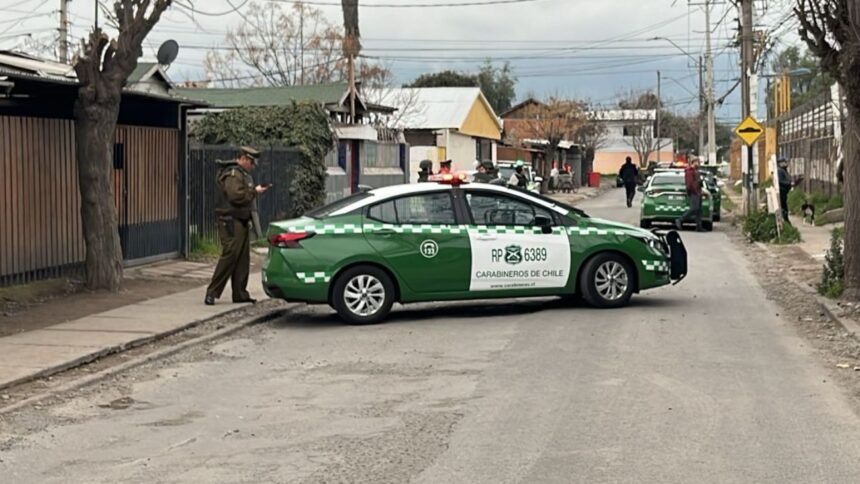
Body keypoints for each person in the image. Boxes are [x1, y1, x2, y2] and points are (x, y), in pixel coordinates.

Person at [205, 146, 270, 306]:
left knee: (242, 258)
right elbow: (236, 196)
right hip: (230, 221)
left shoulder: (243, 174)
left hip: (239, 221)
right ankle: (212, 292)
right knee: (230, 255)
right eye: (250, 161)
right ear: (242, 159)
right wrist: (254, 191)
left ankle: (240, 293)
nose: (252, 165)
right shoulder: (233, 174)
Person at [675, 158, 704, 232]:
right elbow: (690, 183)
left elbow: (697, 181)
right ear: (693, 162)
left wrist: (700, 184)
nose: (698, 164)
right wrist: (694, 191)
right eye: (697, 162)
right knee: (694, 208)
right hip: (694, 192)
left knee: (699, 210)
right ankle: (680, 219)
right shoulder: (689, 171)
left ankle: (699, 227)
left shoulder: (696, 171)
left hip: (698, 191)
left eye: (699, 162)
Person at [777, 156, 792, 222]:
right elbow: (780, 181)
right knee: (784, 208)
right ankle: (786, 221)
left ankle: (786, 220)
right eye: (784, 162)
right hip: (781, 192)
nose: (786, 163)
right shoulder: (780, 171)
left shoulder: (784, 171)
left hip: (784, 193)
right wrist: (789, 183)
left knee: (785, 207)